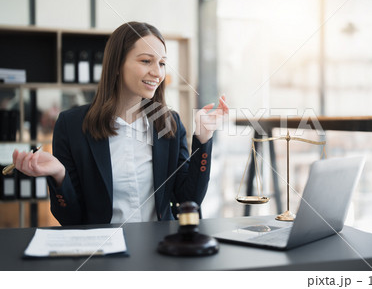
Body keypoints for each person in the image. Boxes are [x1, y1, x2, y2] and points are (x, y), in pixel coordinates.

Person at [12, 21, 228, 226]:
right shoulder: (72, 126)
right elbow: (71, 219)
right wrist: (59, 175)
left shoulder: (168, 122)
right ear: (116, 65)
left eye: (162, 63)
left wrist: (203, 137)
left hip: (160, 247)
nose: (157, 72)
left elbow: (188, 198)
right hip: (104, 252)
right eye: (146, 61)